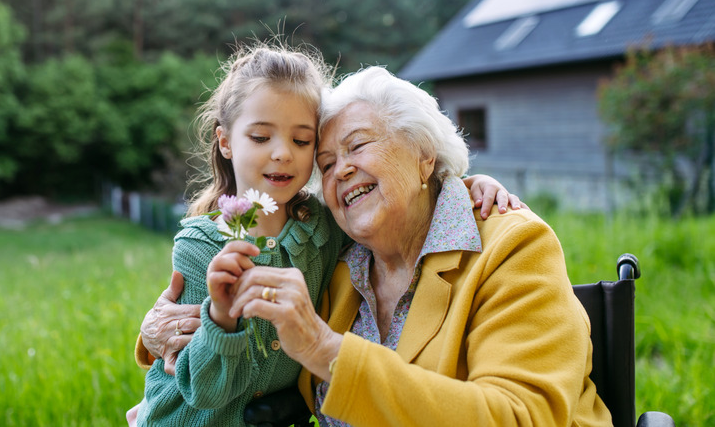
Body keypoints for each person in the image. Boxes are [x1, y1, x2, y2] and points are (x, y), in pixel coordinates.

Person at [128, 41, 523, 427]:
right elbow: (196, 372)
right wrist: (171, 330)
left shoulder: (324, 230)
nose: (283, 153)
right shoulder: (213, 244)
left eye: (302, 141)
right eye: (328, 161)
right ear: (226, 141)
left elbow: (409, 196)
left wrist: (463, 184)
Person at [213, 66, 612, 425]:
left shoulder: (514, 247)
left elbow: (520, 417)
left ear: (424, 155)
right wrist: (165, 340)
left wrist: (323, 348)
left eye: (358, 145)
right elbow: (258, 350)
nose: (342, 170)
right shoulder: (337, 265)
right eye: (328, 164)